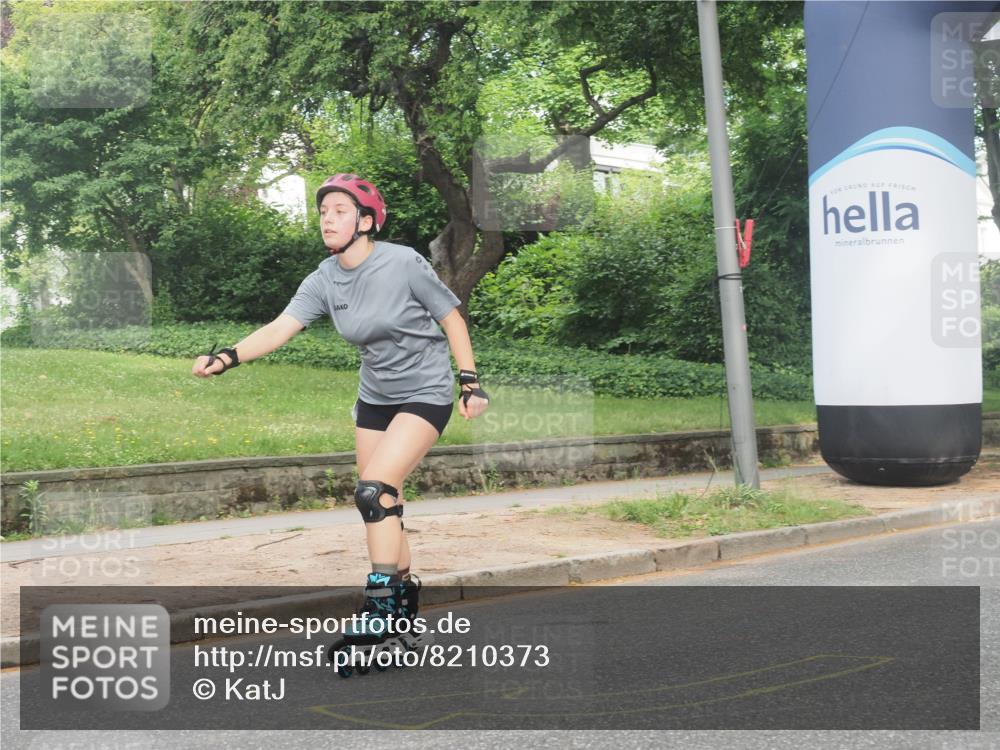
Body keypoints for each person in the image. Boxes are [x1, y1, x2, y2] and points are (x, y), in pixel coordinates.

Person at [192, 173, 490, 667]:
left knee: (375, 490)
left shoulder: (403, 262)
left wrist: (469, 381)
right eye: (324, 211)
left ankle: (379, 606)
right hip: (375, 397)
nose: (328, 219)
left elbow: (452, 318)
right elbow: (278, 329)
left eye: (339, 211)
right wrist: (226, 357)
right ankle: (405, 616)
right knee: (380, 504)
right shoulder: (324, 279)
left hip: (425, 391)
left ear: (366, 221)